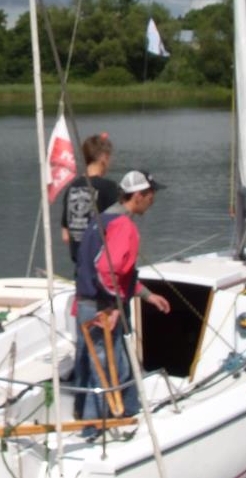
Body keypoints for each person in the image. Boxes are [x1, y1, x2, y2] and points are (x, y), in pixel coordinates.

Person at [74, 169, 171, 427]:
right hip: (100, 308)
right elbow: (107, 269)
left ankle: (122, 413)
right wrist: (111, 306)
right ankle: (93, 430)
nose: (152, 200)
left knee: (102, 366)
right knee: (105, 370)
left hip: (85, 303)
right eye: (150, 194)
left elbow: (115, 272)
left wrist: (147, 295)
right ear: (138, 195)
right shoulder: (123, 226)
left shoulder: (102, 219)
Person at [61, 134, 120, 264]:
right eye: (109, 158)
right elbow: (121, 229)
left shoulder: (71, 188)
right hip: (103, 266)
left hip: (80, 265)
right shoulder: (109, 187)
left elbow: (66, 235)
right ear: (104, 157)